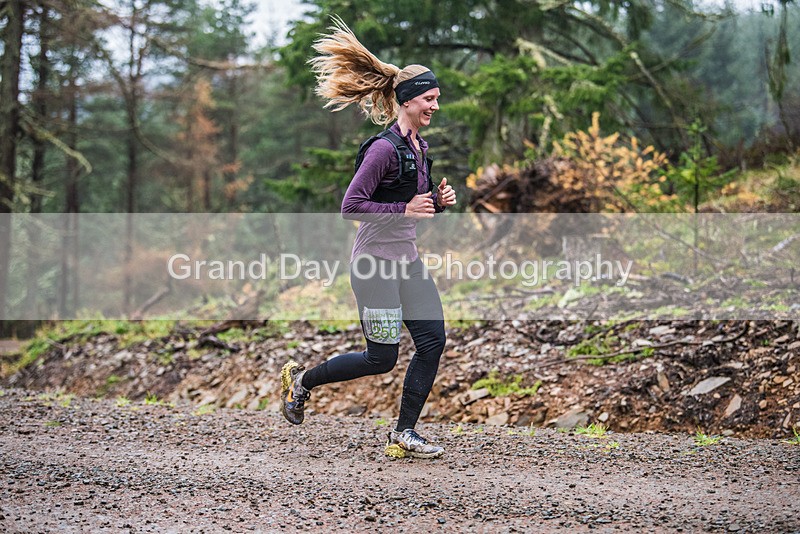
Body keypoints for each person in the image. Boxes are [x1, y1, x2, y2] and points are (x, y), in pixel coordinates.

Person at [278, 17, 457, 459]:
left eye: (437, 100)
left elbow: (409, 202)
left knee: (433, 341)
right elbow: (351, 206)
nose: (435, 106)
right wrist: (405, 208)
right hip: (373, 263)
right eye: (430, 99)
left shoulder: (420, 147)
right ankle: (303, 381)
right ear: (410, 101)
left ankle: (404, 432)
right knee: (381, 358)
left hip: (407, 261)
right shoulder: (382, 148)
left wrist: (436, 200)